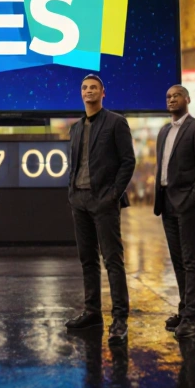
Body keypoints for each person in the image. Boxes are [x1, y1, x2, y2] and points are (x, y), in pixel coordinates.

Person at [65, 74, 136, 342]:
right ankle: (92, 312)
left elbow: (128, 162)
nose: (88, 91)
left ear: (103, 93)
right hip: (79, 201)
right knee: (87, 260)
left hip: (104, 200)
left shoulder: (116, 122)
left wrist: (113, 195)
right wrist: (71, 192)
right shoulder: (75, 128)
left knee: (113, 260)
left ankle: (120, 319)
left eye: (93, 87)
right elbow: (74, 165)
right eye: (84, 87)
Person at [154, 85, 195, 340]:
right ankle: (184, 308)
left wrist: (192, 201)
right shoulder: (163, 131)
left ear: (187, 99)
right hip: (166, 202)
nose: (171, 99)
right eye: (167, 96)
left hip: (187, 204)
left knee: (190, 261)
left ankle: (191, 318)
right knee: (178, 262)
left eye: (176, 95)